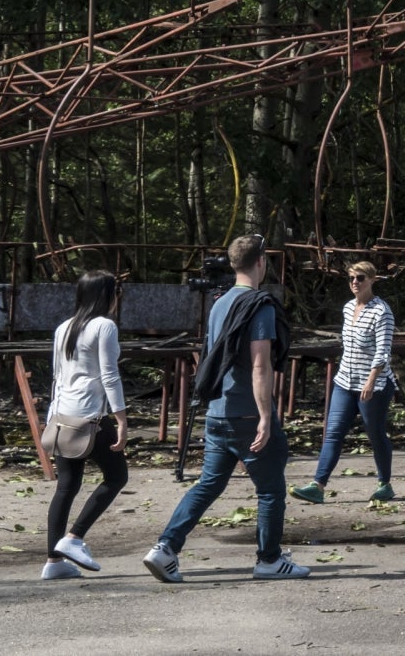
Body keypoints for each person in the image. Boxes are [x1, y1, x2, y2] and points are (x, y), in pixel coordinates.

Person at [146, 235, 309, 582]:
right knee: (270, 491)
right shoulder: (259, 305)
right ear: (261, 262)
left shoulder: (219, 303)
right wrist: (266, 416)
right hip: (247, 412)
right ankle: (269, 560)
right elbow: (260, 365)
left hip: (218, 411)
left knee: (207, 484)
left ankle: (165, 548)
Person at [42, 271, 130, 580]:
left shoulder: (63, 328)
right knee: (117, 476)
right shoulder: (104, 326)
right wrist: (121, 418)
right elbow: (109, 375)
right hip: (92, 417)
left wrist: (51, 418)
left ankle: (54, 562)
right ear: (107, 295)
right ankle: (74, 538)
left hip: (64, 416)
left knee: (66, 487)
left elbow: (57, 377)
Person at [293, 260, 397, 505]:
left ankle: (385, 484)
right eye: (351, 277)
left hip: (373, 385)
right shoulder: (349, 308)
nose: (355, 282)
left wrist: (371, 382)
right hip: (344, 381)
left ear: (372, 279)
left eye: (360, 277)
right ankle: (317, 486)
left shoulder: (382, 312)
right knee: (333, 433)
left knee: (375, 434)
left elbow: (383, 351)